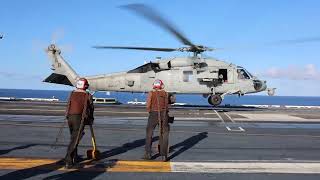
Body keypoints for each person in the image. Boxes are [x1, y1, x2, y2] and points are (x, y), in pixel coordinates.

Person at [64, 78, 94, 168]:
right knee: (75, 139)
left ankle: (75, 157)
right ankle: (68, 160)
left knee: (74, 138)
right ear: (85, 86)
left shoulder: (72, 93)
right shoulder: (87, 95)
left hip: (70, 117)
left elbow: (68, 104)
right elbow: (91, 108)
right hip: (79, 118)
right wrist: (91, 119)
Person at [144, 79, 170, 161]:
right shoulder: (166, 93)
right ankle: (164, 155)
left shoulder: (151, 93)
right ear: (161, 85)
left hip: (153, 114)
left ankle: (148, 154)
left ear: (154, 85)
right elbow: (167, 105)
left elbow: (148, 105)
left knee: (149, 133)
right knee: (164, 134)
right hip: (164, 114)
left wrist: (150, 112)